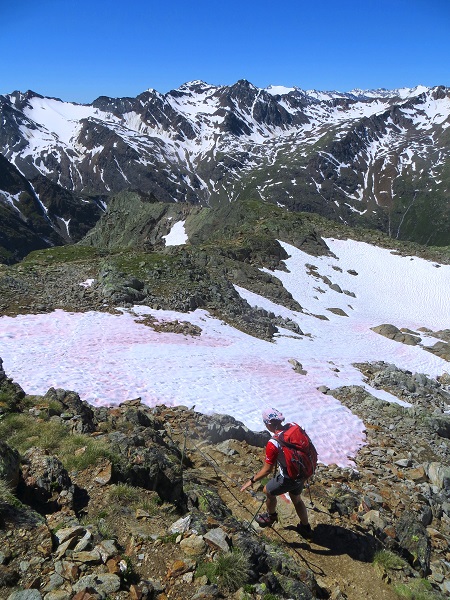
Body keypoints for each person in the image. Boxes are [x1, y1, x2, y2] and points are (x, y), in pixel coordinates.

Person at [240, 408, 313, 539]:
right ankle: (305, 526)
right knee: (296, 499)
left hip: (289, 477)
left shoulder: (273, 443)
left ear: (268, 424)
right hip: (301, 472)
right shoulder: (294, 427)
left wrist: (251, 481)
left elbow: (267, 470)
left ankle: (271, 516)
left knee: (267, 491)